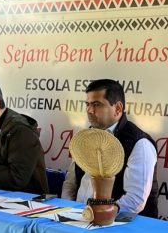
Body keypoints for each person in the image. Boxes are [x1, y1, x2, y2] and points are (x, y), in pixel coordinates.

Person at [61, 79, 158, 217]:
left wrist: (101, 215)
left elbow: (135, 200)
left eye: (97, 104)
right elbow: (70, 183)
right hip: (78, 218)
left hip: (120, 226)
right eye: (88, 104)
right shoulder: (86, 137)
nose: (89, 110)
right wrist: (69, 211)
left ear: (117, 108)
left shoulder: (139, 143)